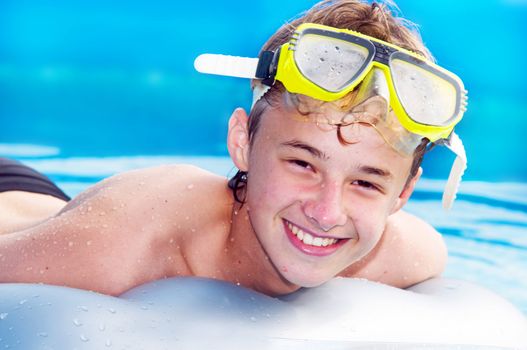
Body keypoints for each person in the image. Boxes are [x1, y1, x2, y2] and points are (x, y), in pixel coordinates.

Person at [0, 0, 468, 297]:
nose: (327, 213)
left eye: (366, 181)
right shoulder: (128, 240)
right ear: (242, 142)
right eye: (303, 163)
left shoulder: (409, 254)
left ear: (404, 195)